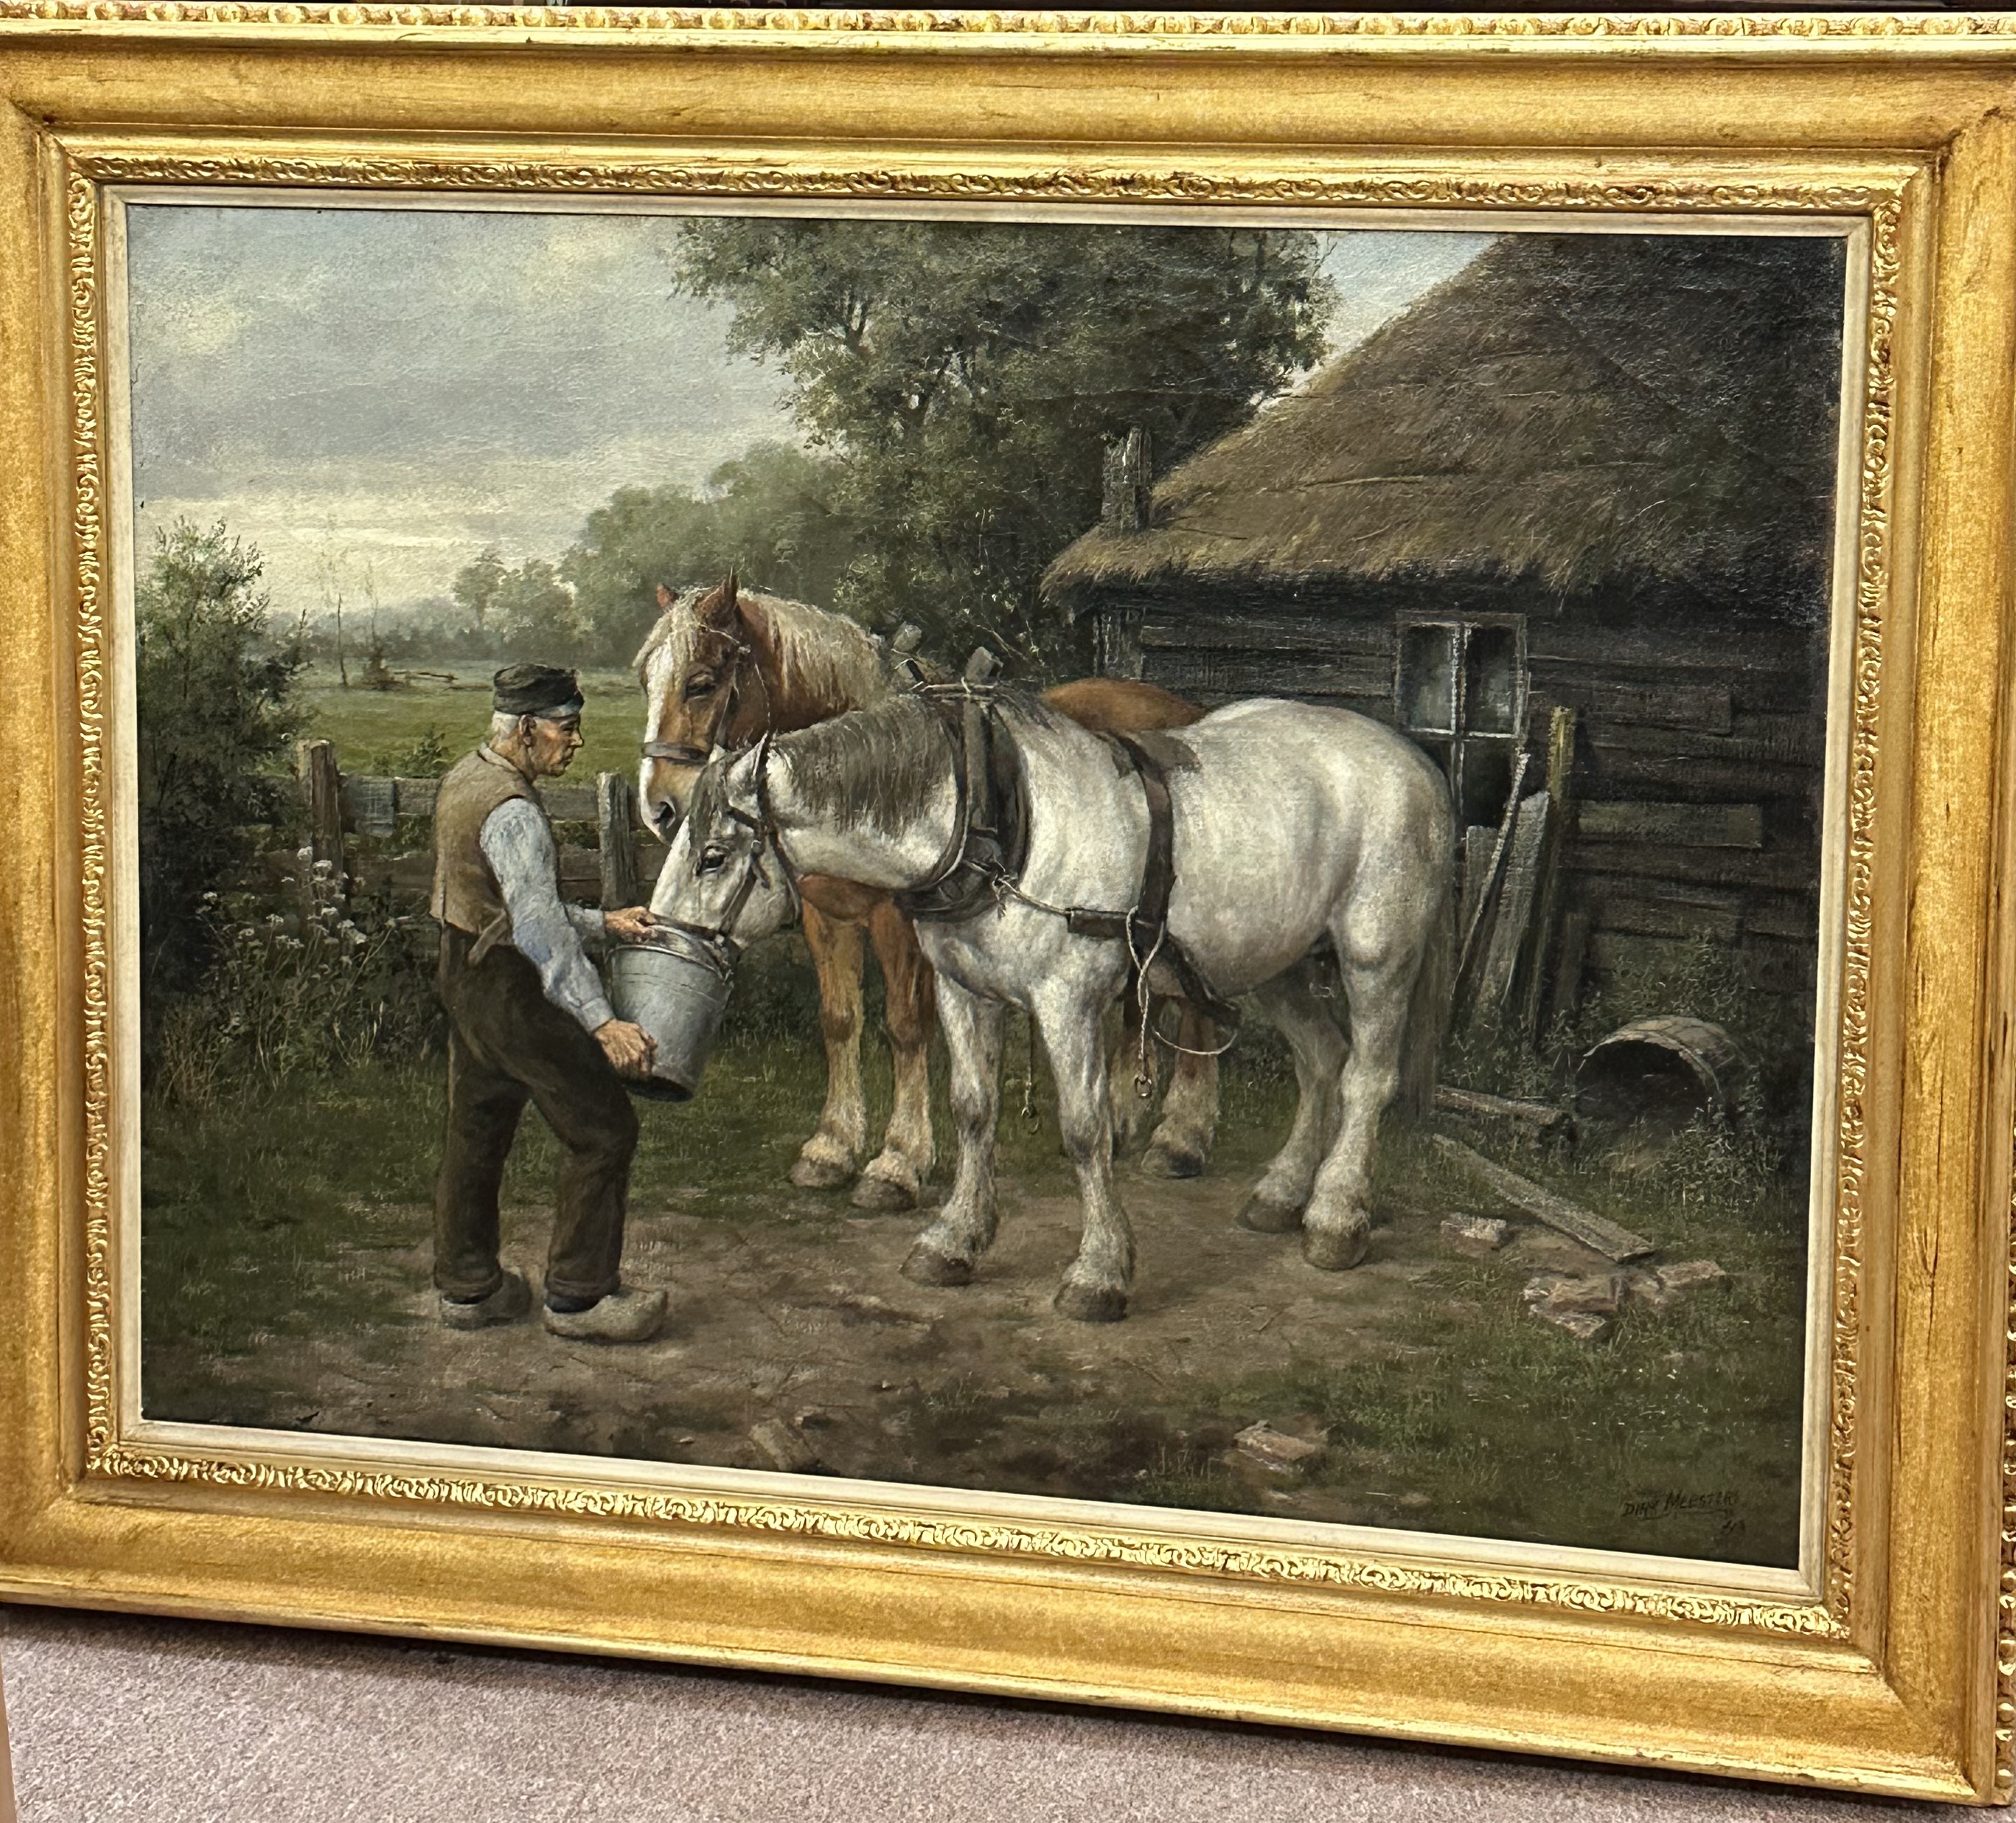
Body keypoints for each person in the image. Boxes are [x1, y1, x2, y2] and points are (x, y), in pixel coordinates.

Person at [428, 662, 666, 1343]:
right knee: (602, 1129)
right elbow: (535, 931)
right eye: (568, 728)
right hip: (510, 985)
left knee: (476, 1126)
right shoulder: (515, 812)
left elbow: (508, 903)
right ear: (528, 730)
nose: (578, 741)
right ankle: (581, 1299)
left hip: (462, 975)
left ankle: (468, 1290)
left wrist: (604, 923)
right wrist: (602, 1022)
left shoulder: (465, 778)